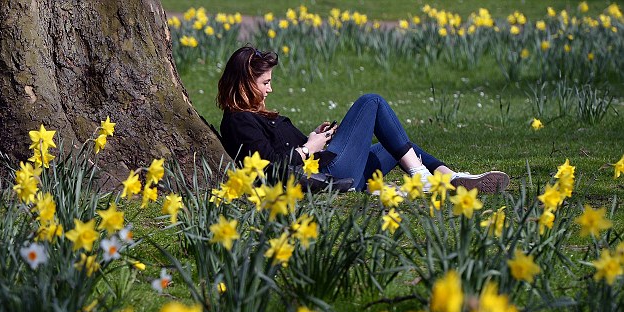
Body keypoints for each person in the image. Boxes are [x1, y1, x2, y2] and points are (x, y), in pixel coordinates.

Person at [217, 46, 509, 192]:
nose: (270, 88)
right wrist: (309, 147)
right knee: (372, 102)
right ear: (244, 82)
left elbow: (284, 150)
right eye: (265, 82)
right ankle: (422, 179)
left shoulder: (255, 115)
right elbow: (270, 167)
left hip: (332, 167)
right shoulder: (238, 121)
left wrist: (314, 137)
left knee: (397, 145)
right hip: (329, 174)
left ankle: (450, 178)